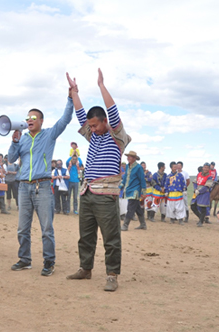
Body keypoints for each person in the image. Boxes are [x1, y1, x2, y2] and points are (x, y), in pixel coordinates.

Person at [65, 69, 131, 292]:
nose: (91, 129)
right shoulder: (93, 136)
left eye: (95, 125)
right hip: (87, 192)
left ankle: (112, 275)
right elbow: (80, 113)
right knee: (86, 234)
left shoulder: (117, 137)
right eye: (90, 126)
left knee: (111, 237)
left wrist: (101, 86)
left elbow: (112, 111)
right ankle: (85, 268)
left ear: (105, 122)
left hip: (106, 195)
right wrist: (74, 92)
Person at [8, 77, 74, 277]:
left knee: (46, 228)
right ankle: (25, 260)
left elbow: (65, 120)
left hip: (43, 186)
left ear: (41, 120)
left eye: (34, 118)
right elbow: (11, 159)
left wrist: (70, 99)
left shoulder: (49, 135)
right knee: (22, 228)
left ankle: (49, 262)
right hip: (23, 187)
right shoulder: (23, 139)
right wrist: (14, 142)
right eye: (28, 118)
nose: (29, 120)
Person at [120, 151, 146, 231]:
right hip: (129, 189)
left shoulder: (138, 167)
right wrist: (121, 185)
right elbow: (125, 178)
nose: (128, 158)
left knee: (130, 208)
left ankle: (125, 225)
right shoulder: (127, 166)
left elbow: (142, 180)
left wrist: (143, 192)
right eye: (128, 156)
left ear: (134, 158)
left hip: (135, 191)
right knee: (137, 207)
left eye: (130, 156)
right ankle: (143, 224)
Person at [191, 163, 214, 227]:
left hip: (204, 193)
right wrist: (195, 189)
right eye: (204, 167)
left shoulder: (209, 177)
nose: (205, 168)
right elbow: (195, 182)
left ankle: (201, 221)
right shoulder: (199, 174)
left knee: (203, 207)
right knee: (192, 205)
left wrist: (200, 191)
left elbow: (207, 186)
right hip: (197, 192)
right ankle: (201, 217)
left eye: (207, 167)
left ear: (209, 169)